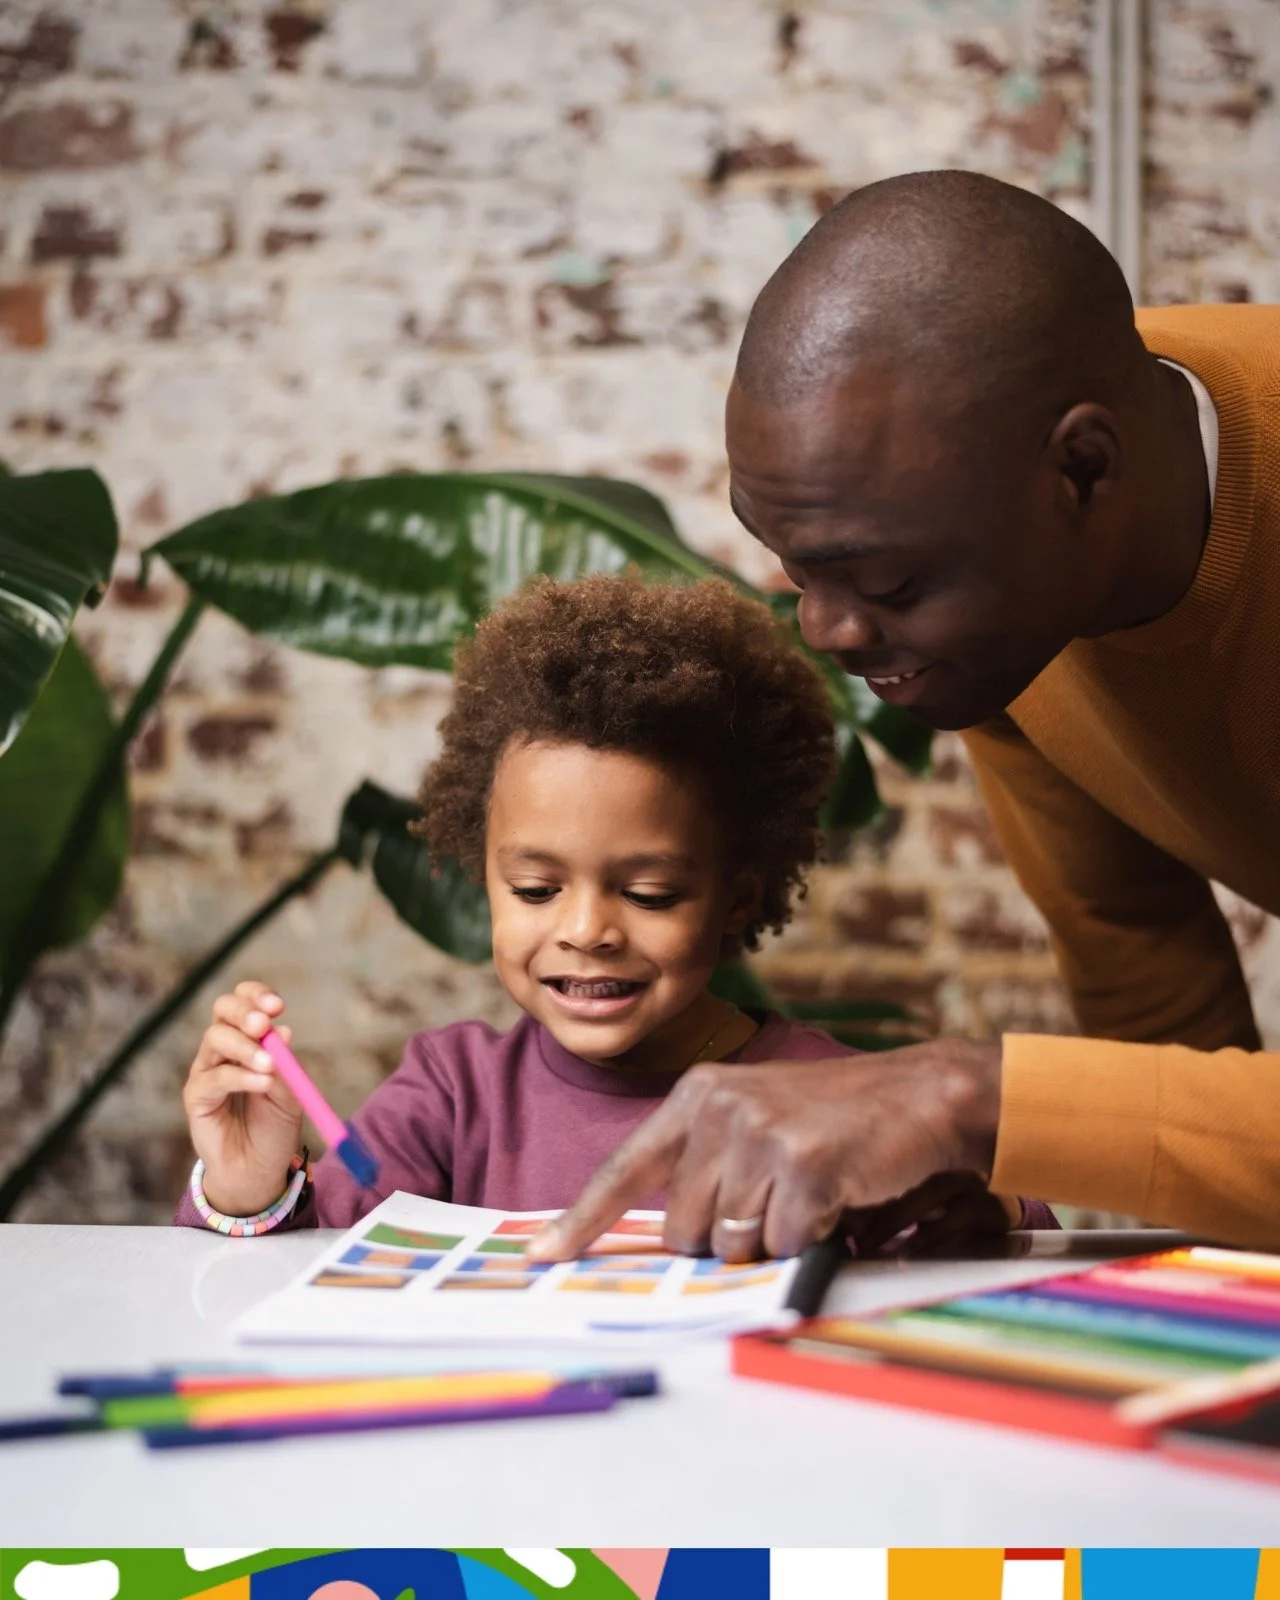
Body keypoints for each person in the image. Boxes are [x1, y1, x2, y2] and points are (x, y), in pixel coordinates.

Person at [526, 170, 1280, 1267]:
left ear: (1082, 469)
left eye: (882, 580)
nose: (824, 631)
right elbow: (1140, 955)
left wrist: (968, 1092)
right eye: (795, 573)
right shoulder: (986, 561)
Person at [178, 573, 1049, 1244]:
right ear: (483, 879)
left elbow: (1012, 1249)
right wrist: (249, 1188)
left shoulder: (827, 1097)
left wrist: (970, 1196)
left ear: (735, 895)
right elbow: (313, 1261)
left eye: (647, 893)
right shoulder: (451, 1095)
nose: (587, 929)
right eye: (535, 889)